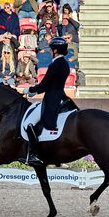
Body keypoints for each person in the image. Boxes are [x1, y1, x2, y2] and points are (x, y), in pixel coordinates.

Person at [21, 37, 70, 166]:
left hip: (51, 99)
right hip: (61, 98)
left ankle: (34, 154)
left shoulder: (55, 65)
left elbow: (44, 86)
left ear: (55, 50)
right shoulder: (65, 64)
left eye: (51, 50)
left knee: (29, 123)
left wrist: (30, 90)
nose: (49, 52)